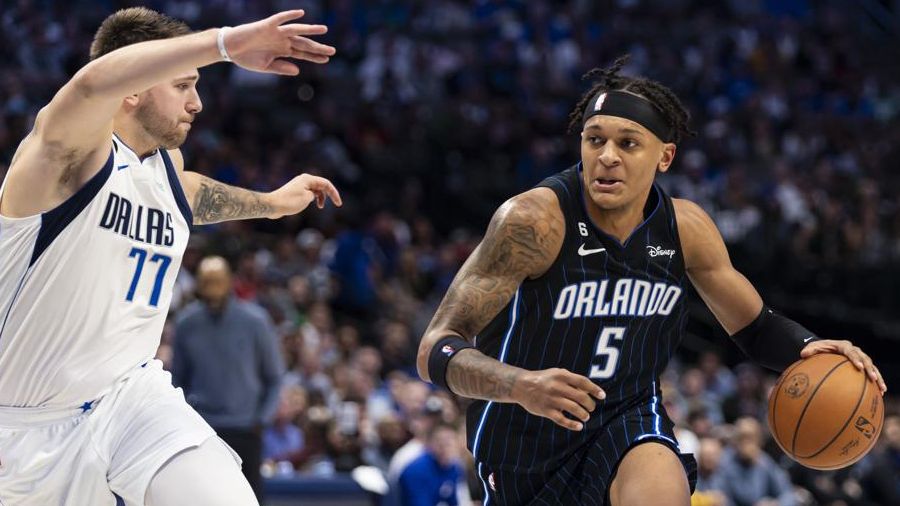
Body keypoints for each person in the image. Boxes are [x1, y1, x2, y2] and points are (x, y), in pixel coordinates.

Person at [416, 56, 886, 506]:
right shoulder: (534, 221)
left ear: (665, 156)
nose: (607, 157)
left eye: (628, 143)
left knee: (660, 477)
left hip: (628, 418)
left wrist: (813, 347)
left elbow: (756, 329)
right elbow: (436, 348)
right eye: (594, 140)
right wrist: (521, 386)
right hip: (523, 439)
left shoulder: (686, 229)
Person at [0, 7, 339, 506]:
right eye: (182, 85)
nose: (197, 103)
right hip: (28, 427)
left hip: (132, 400)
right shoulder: (61, 159)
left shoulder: (164, 167)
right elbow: (92, 87)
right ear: (133, 89)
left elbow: (186, 195)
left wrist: (271, 204)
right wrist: (225, 43)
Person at [172, 256, 285, 500]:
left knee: (248, 498)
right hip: (202, 429)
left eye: (217, 282)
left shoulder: (256, 322)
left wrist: (261, 420)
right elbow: (177, 380)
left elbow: (275, 377)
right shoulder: (186, 324)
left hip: (245, 428)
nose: (212, 290)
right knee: (199, 499)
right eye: (206, 283)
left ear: (229, 282)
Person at [397, 422, 464, 506]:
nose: (445, 446)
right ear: (429, 444)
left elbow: (456, 501)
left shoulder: (455, 467)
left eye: (449, 441)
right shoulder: (415, 471)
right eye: (440, 441)